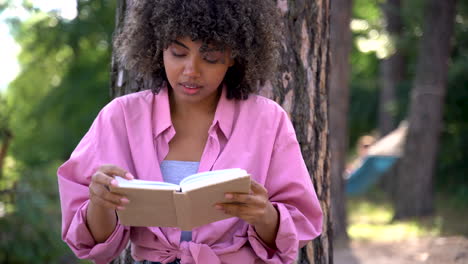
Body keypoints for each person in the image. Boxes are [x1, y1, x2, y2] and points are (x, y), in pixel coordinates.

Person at [57, 1, 322, 263]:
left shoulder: (267, 120)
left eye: (210, 57)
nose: (191, 70)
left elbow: (301, 227)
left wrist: (264, 214)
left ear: (233, 56)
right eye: (178, 53)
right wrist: (100, 203)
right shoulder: (121, 117)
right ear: (158, 48)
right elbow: (92, 244)